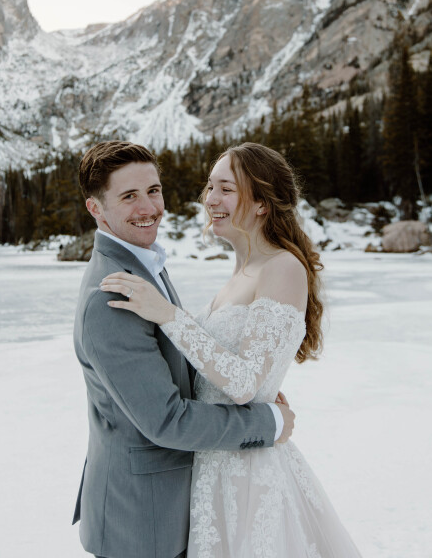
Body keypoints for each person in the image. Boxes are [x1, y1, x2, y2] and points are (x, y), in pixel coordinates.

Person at [101, 142, 363, 557]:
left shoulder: (282, 267)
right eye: (210, 187)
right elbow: (230, 372)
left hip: (249, 475)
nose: (210, 199)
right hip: (214, 467)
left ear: (261, 203)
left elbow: (243, 385)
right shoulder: (240, 273)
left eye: (226, 189)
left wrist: (168, 315)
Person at [72, 140, 295, 558]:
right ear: (95, 208)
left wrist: (238, 381)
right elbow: (167, 420)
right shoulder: (112, 295)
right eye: (129, 196)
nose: (148, 208)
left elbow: (173, 364)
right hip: (141, 522)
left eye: (153, 190)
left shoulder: (143, 265)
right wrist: (267, 422)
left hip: (172, 507)